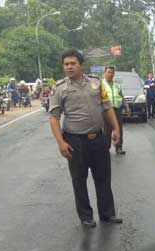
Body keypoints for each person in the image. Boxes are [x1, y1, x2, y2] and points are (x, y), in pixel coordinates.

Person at [48, 49, 123, 227]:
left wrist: (116, 128)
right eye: (66, 64)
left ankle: (107, 213)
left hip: (98, 139)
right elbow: (53, 118)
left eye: (73, 63)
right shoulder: (60, 89)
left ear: (80, 65)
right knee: (79, 180)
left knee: (103, 177)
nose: (69, 67)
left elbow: (107, 107)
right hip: (75, 141)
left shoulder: (96, 84)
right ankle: (86, 217)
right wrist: (61, 143)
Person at [102, 66, 125, 155]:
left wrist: (126, 107)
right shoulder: (101, 85)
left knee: (119, 129)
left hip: (117, 109)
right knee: (107, 130)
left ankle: (119, 147)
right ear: (105, 73)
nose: (110, 74)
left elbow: (122, 97)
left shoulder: (117, 85)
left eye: (112, 72)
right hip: (106, 110)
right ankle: (106, 148)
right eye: (109, 72)